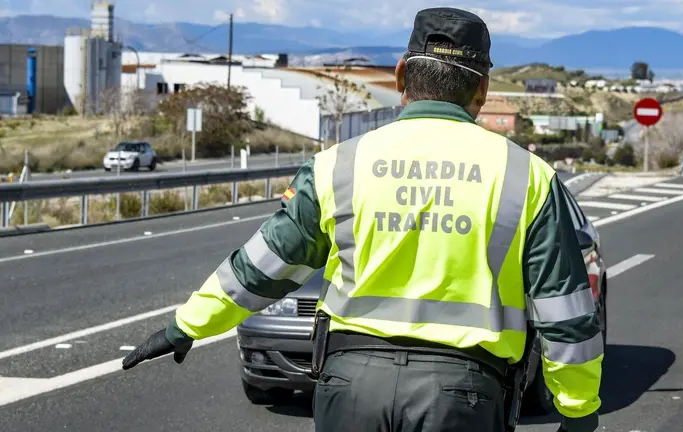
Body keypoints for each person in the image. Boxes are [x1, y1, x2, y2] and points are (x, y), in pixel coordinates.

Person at [122, 7, 603, 432]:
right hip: (464, 395)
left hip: (350, 386)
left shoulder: (338, 165)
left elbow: (266, 264)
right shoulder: (528, 177)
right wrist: (578, 411)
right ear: (483, 89)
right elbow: (566, 314)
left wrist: (186, 326)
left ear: (399, 77)